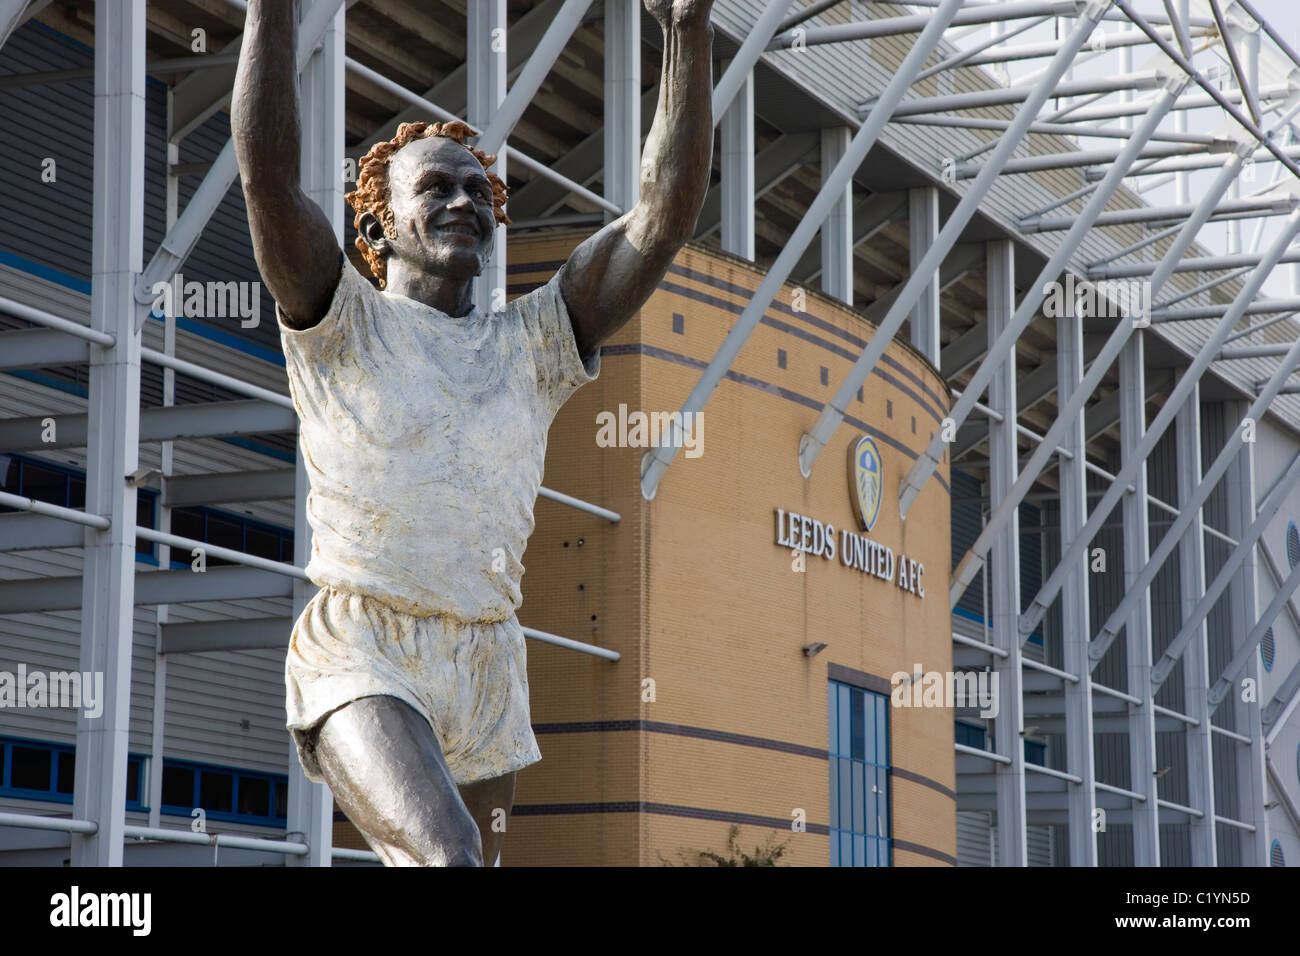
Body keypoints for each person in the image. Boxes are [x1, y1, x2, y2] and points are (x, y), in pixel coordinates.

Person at [231, 0, 715, 865]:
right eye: (435, 188)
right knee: (448, 854)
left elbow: (661, 217)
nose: (464, 201)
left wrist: (686, 29)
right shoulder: (340, 320)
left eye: (479, 192)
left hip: (487, 659)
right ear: (376, 226)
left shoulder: (534, 343)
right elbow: (267, 179)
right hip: (365, 645)